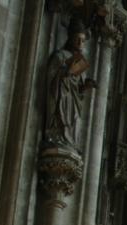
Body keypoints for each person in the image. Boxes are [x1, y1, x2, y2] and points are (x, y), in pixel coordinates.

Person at [44, 17, 96, 149]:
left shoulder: (80, 62)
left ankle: (69, 142)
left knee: (74, 122)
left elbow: (78, 91)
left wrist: (84, 87)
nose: (80, 43)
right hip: (62, 98)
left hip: (73, 103)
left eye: (83, 41)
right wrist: (66, 72)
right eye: (77, 39)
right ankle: (57, 136)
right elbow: (50, 78)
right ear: (71, 38)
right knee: (61, 119)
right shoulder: (60, 55)